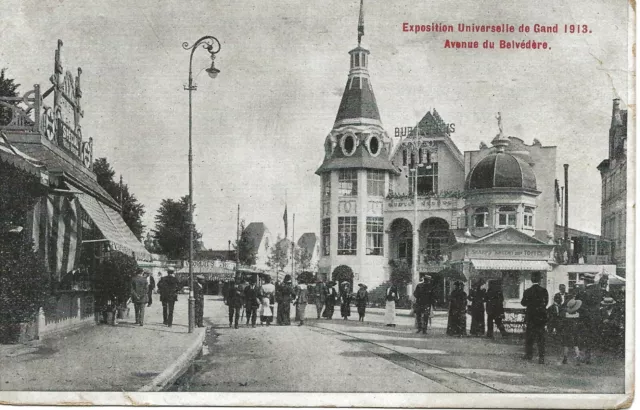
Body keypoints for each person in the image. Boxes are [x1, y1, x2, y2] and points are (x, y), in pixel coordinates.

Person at [521, 271, 549, 364]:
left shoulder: (527, 291)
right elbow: (546, 303)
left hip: (531, 317)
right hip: (541, 317)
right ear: (540, 280)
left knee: (529, 336)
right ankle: (541, 357)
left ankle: (529, 355)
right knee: (541, 338)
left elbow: (523, 303)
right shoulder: (544, 291)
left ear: (531, 280)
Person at [580, 274, 605, 364]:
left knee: (584, 336)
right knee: (592, 337)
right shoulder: (598, 291)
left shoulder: (584, 291)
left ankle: (585, 357)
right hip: (595, 317)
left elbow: (580, 304)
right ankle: (589, 357)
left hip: (585, 317)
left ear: (585, 281)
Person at [561, 295, 582, 365]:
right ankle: (578, 358)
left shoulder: (566, 315)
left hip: (567, 330)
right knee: (576, 345)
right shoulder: (578, 314)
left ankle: (565, 358)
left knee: (566, 344)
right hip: (575, 330)